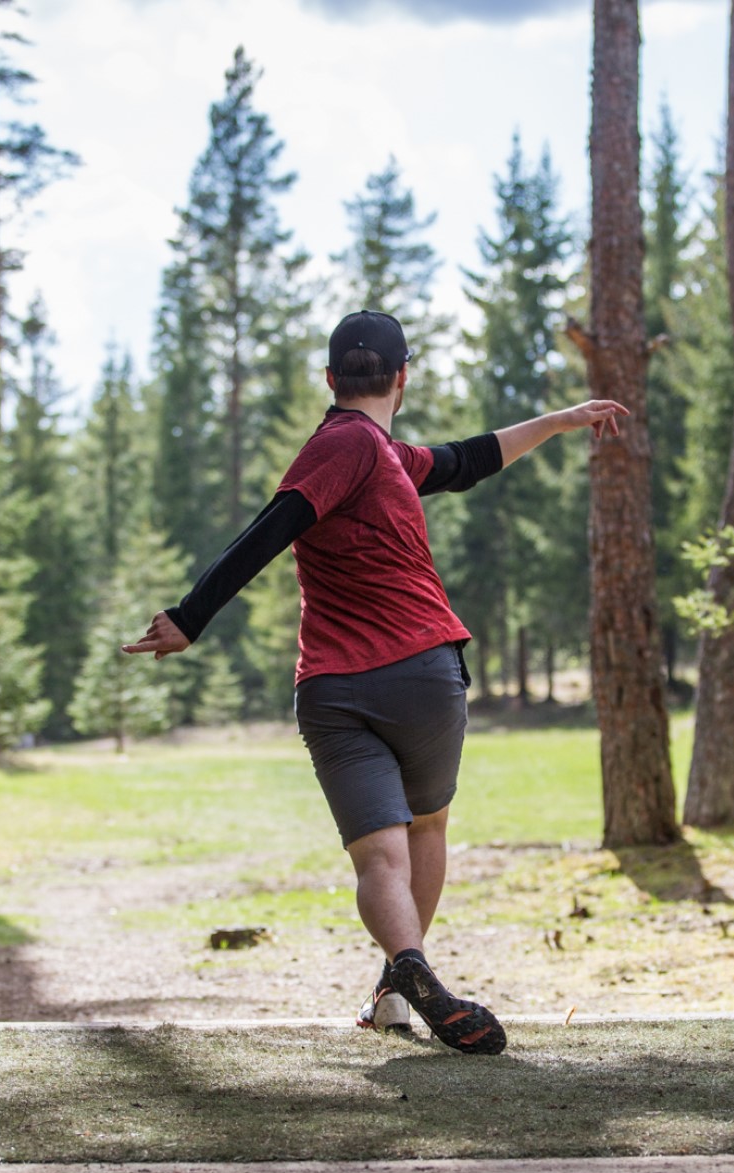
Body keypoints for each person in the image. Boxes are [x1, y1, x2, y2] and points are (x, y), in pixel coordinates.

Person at [125, 310, 625, 1056]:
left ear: (331, 379)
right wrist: (189, 614)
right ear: (402, 377)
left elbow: (465, 460)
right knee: (425, 829)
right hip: (423, 672)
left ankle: (403, 980)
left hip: (335, 688)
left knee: (378, 856)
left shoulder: (374, 452)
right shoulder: (357, 448)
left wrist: (556, 422)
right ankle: (400, 981)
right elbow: (276, 524)